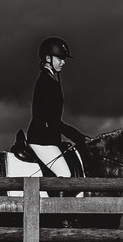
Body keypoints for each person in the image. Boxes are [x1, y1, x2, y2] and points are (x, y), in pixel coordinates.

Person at [22, 36, 90, 178]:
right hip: (41, 141)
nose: (63, 62)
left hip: (48, 140)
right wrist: (78, 136)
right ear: (48, 58)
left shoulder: (51, 79)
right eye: (60, 58)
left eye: (64, 59)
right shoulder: (46, 82)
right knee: (64, 175)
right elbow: (52, 121)